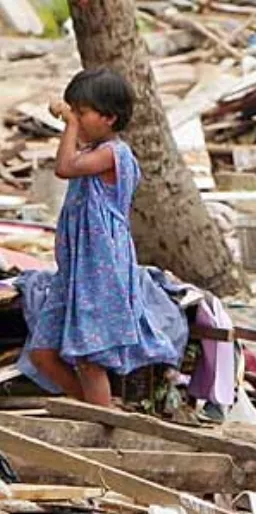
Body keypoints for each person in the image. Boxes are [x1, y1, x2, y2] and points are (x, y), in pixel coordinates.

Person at [28, 68, 178, 406]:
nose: (76, 119)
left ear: (109, 118)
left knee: (90, 356)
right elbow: (73, 153)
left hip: (100, 267)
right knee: (43, 353)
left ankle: (102, 420)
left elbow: (64, 167)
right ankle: (101, 412)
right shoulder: (93, 148)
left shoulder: (113, 154)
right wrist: (70, 121)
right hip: (76, 271)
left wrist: (68, 125)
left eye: (82, 113)